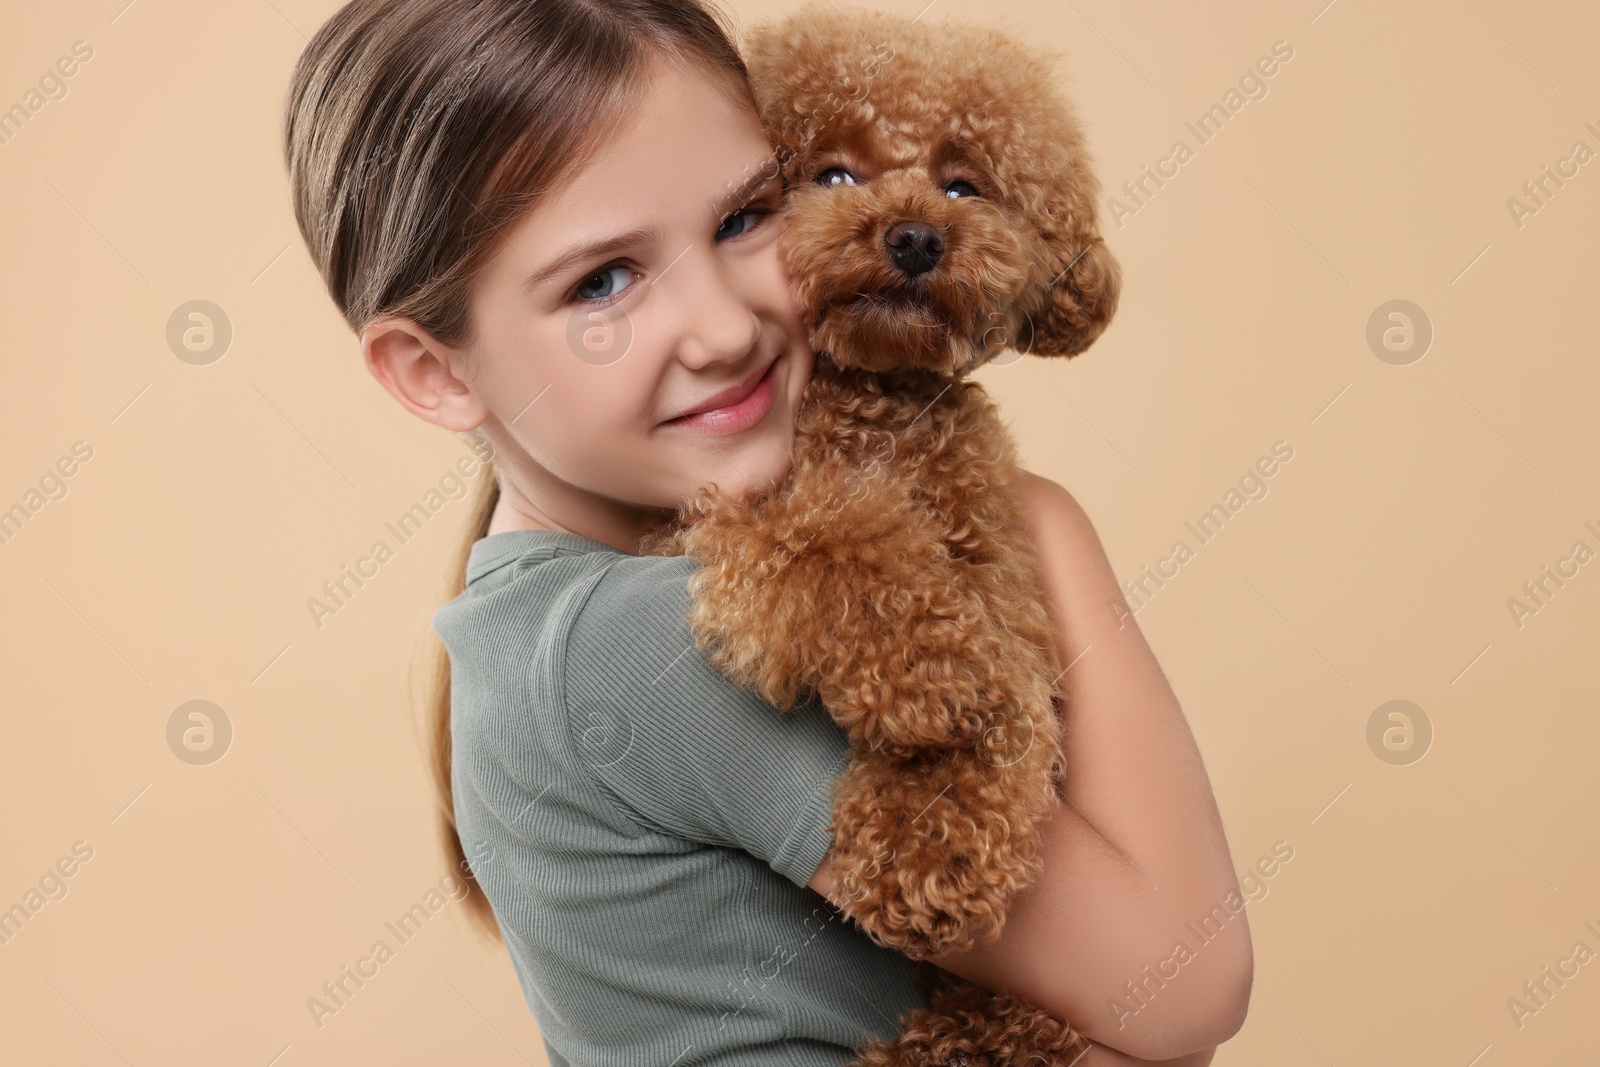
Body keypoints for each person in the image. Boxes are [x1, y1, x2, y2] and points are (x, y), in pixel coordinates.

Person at [281, 1, 1253, 1063]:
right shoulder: (652, 640)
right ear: (436, 371)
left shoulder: (542, 624)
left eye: (745, 216)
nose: (725, 326)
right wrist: (1046, 520)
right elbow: (1184, 980)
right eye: (601, 283)